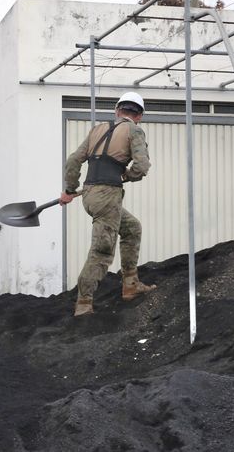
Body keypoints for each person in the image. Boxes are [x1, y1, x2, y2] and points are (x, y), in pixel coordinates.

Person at [59, 91, 156, 316]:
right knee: (102, 250)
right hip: (107, 196)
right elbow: (142, 167)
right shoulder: (134, 130)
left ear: (117, 110)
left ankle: (130, 284)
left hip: (90, 194)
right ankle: (84, 304)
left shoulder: (97, 129)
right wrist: (127, 175)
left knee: (132, 228)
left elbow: (73, 160)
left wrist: (69, 190)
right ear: (139, 115)